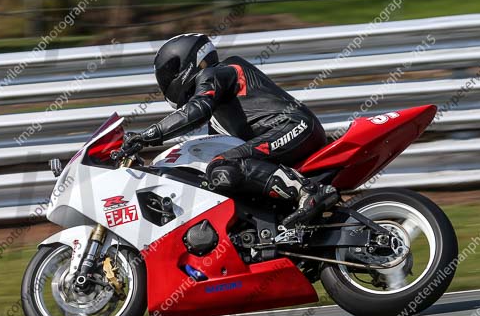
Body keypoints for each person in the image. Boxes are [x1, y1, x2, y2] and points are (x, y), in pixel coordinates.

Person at [125, 33, 337, 227]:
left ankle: (308, 192)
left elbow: (196, 110)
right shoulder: (217, 116)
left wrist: (148, 136)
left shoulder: (217, 72)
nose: (167, 80)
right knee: (223, 172)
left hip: (294, 127)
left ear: (187, 61)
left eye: (169, 72)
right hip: (284, 137)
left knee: (223, 163)